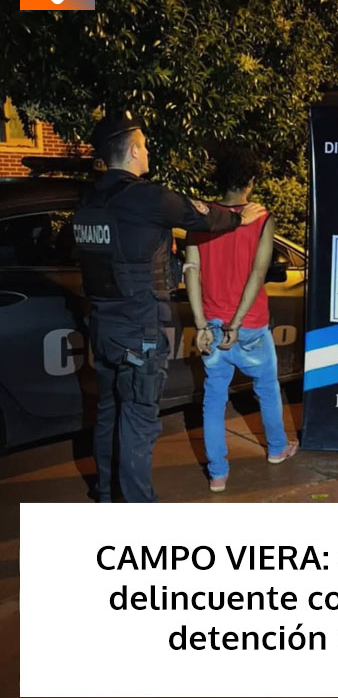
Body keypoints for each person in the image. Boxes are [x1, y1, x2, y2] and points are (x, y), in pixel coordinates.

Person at [73, 111, 266, 503]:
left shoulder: (88, 200)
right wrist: (238, 218)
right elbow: (201, 216)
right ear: (132, 151)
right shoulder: (145, 197)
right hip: (140, 331)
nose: (148, 152)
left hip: (104, 327)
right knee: (138, 420)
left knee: (109, 412)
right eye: (144, 146)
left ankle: (107, 495)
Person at [184, 146, 298, 492]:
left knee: (213, 399)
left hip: (211, 325)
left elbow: (191, 271)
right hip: (249, 325)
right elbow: (258, 274)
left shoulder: (200, 217)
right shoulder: (261, 219)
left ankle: (218, 474)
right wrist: (236, 324)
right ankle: (277, 449)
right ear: (250, 179)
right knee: (267, 388)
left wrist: (201, 324)